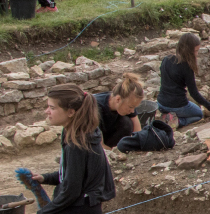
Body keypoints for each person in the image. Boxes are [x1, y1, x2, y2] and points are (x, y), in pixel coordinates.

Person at [30, 84, 116, 214]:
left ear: (71, 112)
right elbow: (73, 175)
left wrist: (44, 212)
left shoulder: (78, 143)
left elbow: (72, 190)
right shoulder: (76, 133)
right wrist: (45, 178)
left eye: (52, 107)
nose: (47, 111)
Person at [157, 33, 210, 128]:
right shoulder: (186, 66)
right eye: (195, 51)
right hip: (176, 105)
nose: (196, 54)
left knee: (193, 106)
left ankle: (167, 115)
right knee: (198, 114)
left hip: (161, 103)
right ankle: (176, 121)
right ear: (188, 50)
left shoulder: (166, 59)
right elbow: (193, 93)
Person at [93, 73, 144, 149]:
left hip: (109, 133)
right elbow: (99, 143)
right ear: (118, 99)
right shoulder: (95, 106)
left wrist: (140, 144)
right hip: (93, 139)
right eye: (130, 107)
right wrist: (114, 153)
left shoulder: (127, 101)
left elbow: (137, 130)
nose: (132, 110)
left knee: (127, 123)